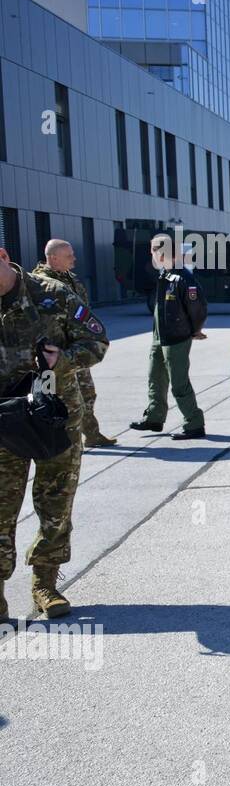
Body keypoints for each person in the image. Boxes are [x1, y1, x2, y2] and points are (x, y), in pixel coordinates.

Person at [0, 246, 109, 619]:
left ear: (2, 255)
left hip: (55, 418)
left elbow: (96, 341)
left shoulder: (53, 294)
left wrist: (60, 361)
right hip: (4, 422)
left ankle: (45, 583)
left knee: (56, 504)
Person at [31, 240, 116, 447]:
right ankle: (63, 442)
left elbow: (84, 312)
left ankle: (92, 434)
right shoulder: (37, 285)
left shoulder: (73, 281)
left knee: (87, 393)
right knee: (58, 400)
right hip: (54, 355)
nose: (74, 259)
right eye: (69, 256)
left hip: (76, 349)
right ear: (53, 258)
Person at [129, 233, 208, 441]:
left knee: (179, 382)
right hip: (160, 338)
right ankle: (154, 417)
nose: (154, 256)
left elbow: (198, 308)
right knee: (155, 377)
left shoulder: (182, 278)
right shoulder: (165, 276)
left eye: (155, 251)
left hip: (176, 338)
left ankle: (194, 423)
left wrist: (195, 330)